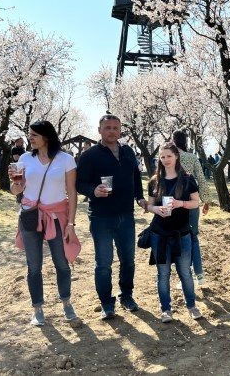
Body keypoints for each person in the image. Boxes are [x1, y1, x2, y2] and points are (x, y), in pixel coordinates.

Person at [9, 121, 81, 326]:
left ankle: (66, 302)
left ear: (46, 136)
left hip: (57, 217)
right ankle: (38, 308)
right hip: (30, 216)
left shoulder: (66, 159)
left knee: (62, 263)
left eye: (34, 135)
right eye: (29, 134)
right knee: (34, 266)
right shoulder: (24, 159)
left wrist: (71, 224)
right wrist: (16, 184)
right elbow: (16, 191)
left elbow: (72, 193)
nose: (29, 138)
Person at [76, 114, 147, 319]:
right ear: (99, 130)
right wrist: (93, 190)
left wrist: (140, 197)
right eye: (107, 128)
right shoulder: (90, 155)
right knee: (104, 263)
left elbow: (135, 176)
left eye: (116, 128)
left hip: (126, 215)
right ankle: (107, 302)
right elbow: (79, 183)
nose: (112, 131)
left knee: (128, 260)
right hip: (101, 217)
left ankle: (127, 295)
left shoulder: (128, 151)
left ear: (120, 130)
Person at [145, 142, 203, 322]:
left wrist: (181, 204)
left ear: (176, 156)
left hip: (182, 233)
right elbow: (150, 204)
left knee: (185, 271)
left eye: (169, 156)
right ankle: (166, 309)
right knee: (162, 273)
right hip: (159, 234)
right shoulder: (155, 180)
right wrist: (155, 210)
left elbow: (196, 202)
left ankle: (191, 306)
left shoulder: (187, 179)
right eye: (162, 157)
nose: (165, 160)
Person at [171, 130, 211, 286]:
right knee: (193, 238)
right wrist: (206, 200)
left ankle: (185, 276)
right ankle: (199, 274)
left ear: (173, 141)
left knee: (180, 239)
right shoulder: (192, 157)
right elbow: (201, 179)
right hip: (192, 202)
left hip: (175, 203)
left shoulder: (170, 156)